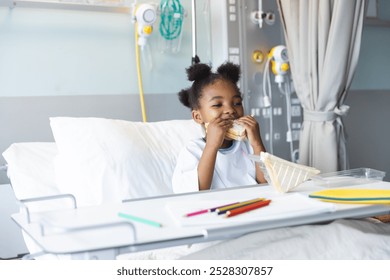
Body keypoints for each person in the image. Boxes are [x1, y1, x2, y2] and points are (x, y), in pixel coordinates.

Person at [172, 62, 267, 193]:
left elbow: (266, 182)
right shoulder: (193, 150)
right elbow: (197, 190)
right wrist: (212, 145)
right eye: (217, 105)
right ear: (198, 117)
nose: (230, 110)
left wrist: (257, 143)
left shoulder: (247, 146)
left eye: (237, 103)